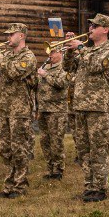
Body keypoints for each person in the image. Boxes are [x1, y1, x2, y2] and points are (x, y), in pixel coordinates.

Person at [65, 15, 109, 202]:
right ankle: (89, 186)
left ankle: (100, 188)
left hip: (97, 107)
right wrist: (69, 51)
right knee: (84, 150)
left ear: (105, 29)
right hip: (80, 106)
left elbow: (96, 66)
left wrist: (79, 48)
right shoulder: (86, 51)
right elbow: (67, 67)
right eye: (90, 25)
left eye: (94, 26)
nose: (90, 28)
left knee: (98, 149)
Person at [0, 23, 37, 198]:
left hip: (20, 109)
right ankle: (9, 185)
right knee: (6, 149)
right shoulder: (6, 55)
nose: (8, 38)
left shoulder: (28, 56)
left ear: (21, 36)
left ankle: (19, 186)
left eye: (11, 34)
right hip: (5, 108)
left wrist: (0, 57)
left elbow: (14, 72)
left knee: (19, 149)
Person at [36, 43, 72, 180]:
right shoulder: (45, 67)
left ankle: (58, 169)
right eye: (49, 52)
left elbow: (61, 84)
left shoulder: (64, 68)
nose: (49, 55)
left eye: (53, 52)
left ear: (60, 54)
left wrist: (45, 75)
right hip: (43, 109)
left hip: (57, 111)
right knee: (45, 140)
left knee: (56, 141)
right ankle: (50, 168)